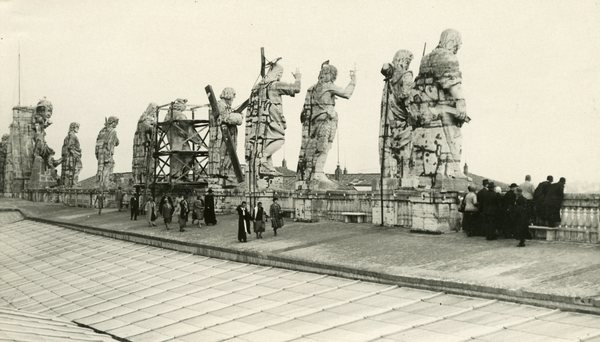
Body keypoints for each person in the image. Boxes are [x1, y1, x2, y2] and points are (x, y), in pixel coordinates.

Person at [296, 61, 356, 184]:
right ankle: (318, 172)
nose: (324, 74)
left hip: (313, 122)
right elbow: (347, 93)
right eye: (325, 72)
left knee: (314, 147)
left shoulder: (311, 89)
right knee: (324, 147)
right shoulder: (329, 86)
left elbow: (303, 112)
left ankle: (310, 173)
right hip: (326, 119)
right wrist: (353, 80)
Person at [245, 62, 301, 176]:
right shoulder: (275, 85)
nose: (280, 76)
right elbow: (296, 88)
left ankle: (267, 166)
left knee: (265, 141)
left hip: (260, 119)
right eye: (280, 73)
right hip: (272, 115)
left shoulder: (257, 87)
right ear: (277, 73)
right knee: (279, 139)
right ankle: (263, 158)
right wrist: (298, 77)